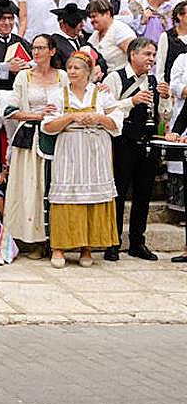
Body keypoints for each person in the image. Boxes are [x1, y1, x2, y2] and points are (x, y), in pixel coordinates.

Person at [41, 49, 120, 268]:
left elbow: (117, 121)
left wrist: (98, 117)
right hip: (70, 149)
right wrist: (71, 116)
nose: (72, 72)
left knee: (91, 196)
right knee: (66, 194)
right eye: (69, 68)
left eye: (76, 68)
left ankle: (87, 246)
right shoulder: (58, 94)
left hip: (95, 150)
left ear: (88, 72)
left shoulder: (101, 93)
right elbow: (47, 125)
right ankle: (59, 247)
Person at [100, 36, 168, 262]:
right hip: (123, 142)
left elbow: (162, 115)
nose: (151, 59)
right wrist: (132, 101)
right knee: (118, 193)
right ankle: (113, 242)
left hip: (148, 143)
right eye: (147, 54)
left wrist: (165, 98)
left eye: (153, 55)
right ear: (133, 54)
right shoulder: (115, 77)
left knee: (143, 194)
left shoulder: (152, 80)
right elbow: (105, 109)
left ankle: (138, 242)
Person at [4, 33, 65, 258]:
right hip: (31, 137)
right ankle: (34, 240)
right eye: (34, 47)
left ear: (52, 51)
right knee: (32, 188)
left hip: (58, 138)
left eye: (41, 48)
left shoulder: (63, 77)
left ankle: (55, 239)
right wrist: (36, 115)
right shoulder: (23, 77)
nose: (36, 52)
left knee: (52, 186)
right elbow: (10, 110)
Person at [86, 0, 137, 72]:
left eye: (94, 16)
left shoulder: (120, 29)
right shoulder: (95, 34)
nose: (91, 20)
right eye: (90, 17)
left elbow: (135, 56)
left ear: (107, 14)